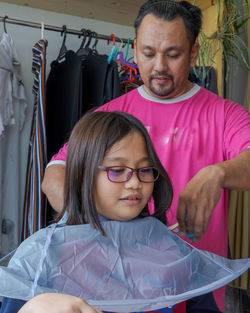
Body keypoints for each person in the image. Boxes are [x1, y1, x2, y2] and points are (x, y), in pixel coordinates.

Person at [42, 0, 250, 312]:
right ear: (136, 49)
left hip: (195, 292)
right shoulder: (110, 116)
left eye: (174, 54)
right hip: (116, 292)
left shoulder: (225, 115)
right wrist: (95, 227)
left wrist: (216, 173)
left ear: (193, 53)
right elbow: (55, 172)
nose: (159, 67)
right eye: (149, 53)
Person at [1, 111, 249, 313]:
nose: (134, 183)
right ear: (82, 175)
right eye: (118, 170)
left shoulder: (172, 250)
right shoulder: (44, 255)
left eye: (144, 170)